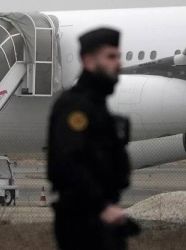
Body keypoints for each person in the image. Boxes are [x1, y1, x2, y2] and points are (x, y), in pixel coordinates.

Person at [47, 28, 137, 250]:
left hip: (102, 219)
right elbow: (67, 165)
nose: (118, 63)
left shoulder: (98, 105)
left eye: (118, 56)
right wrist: (101, 207)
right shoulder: (76, 107)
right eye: (110, 57)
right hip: (82, 223)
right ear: (88, 61)